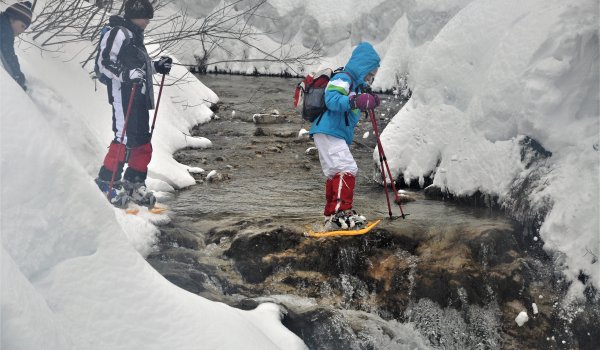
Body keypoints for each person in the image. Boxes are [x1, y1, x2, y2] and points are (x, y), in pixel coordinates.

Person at [94, 0, 172, 207]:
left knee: (142, 140)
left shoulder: (135, 36)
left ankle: (134, 183)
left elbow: (139, 67)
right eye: (145, 17)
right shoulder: (118, 32)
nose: (148, 21)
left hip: (139, 95)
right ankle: (106, 181)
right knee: (124, 137)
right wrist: (126, 75)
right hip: (123, 94)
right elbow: (104, 63)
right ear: (134, 14)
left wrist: (156, 66)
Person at [309, 42, 381, 230]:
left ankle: (331, 215)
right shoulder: (343, 77)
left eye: (373, 75)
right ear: (363, 66)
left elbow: (351, 102)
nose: (371, 77)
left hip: (329, 132)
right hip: (329, 130)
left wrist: (366, 99)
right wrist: (355, 100)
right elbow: (331, 99)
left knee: (335, 172)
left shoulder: (355, 84)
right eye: (370, 72)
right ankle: (341, 213)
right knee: (346, 168)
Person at [0, 1, 32, 91]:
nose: (23, 30)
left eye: (25, 28)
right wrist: (18, 78)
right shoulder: (5, 30)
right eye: (22, 26)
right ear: (12, 19)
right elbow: (8, 55)